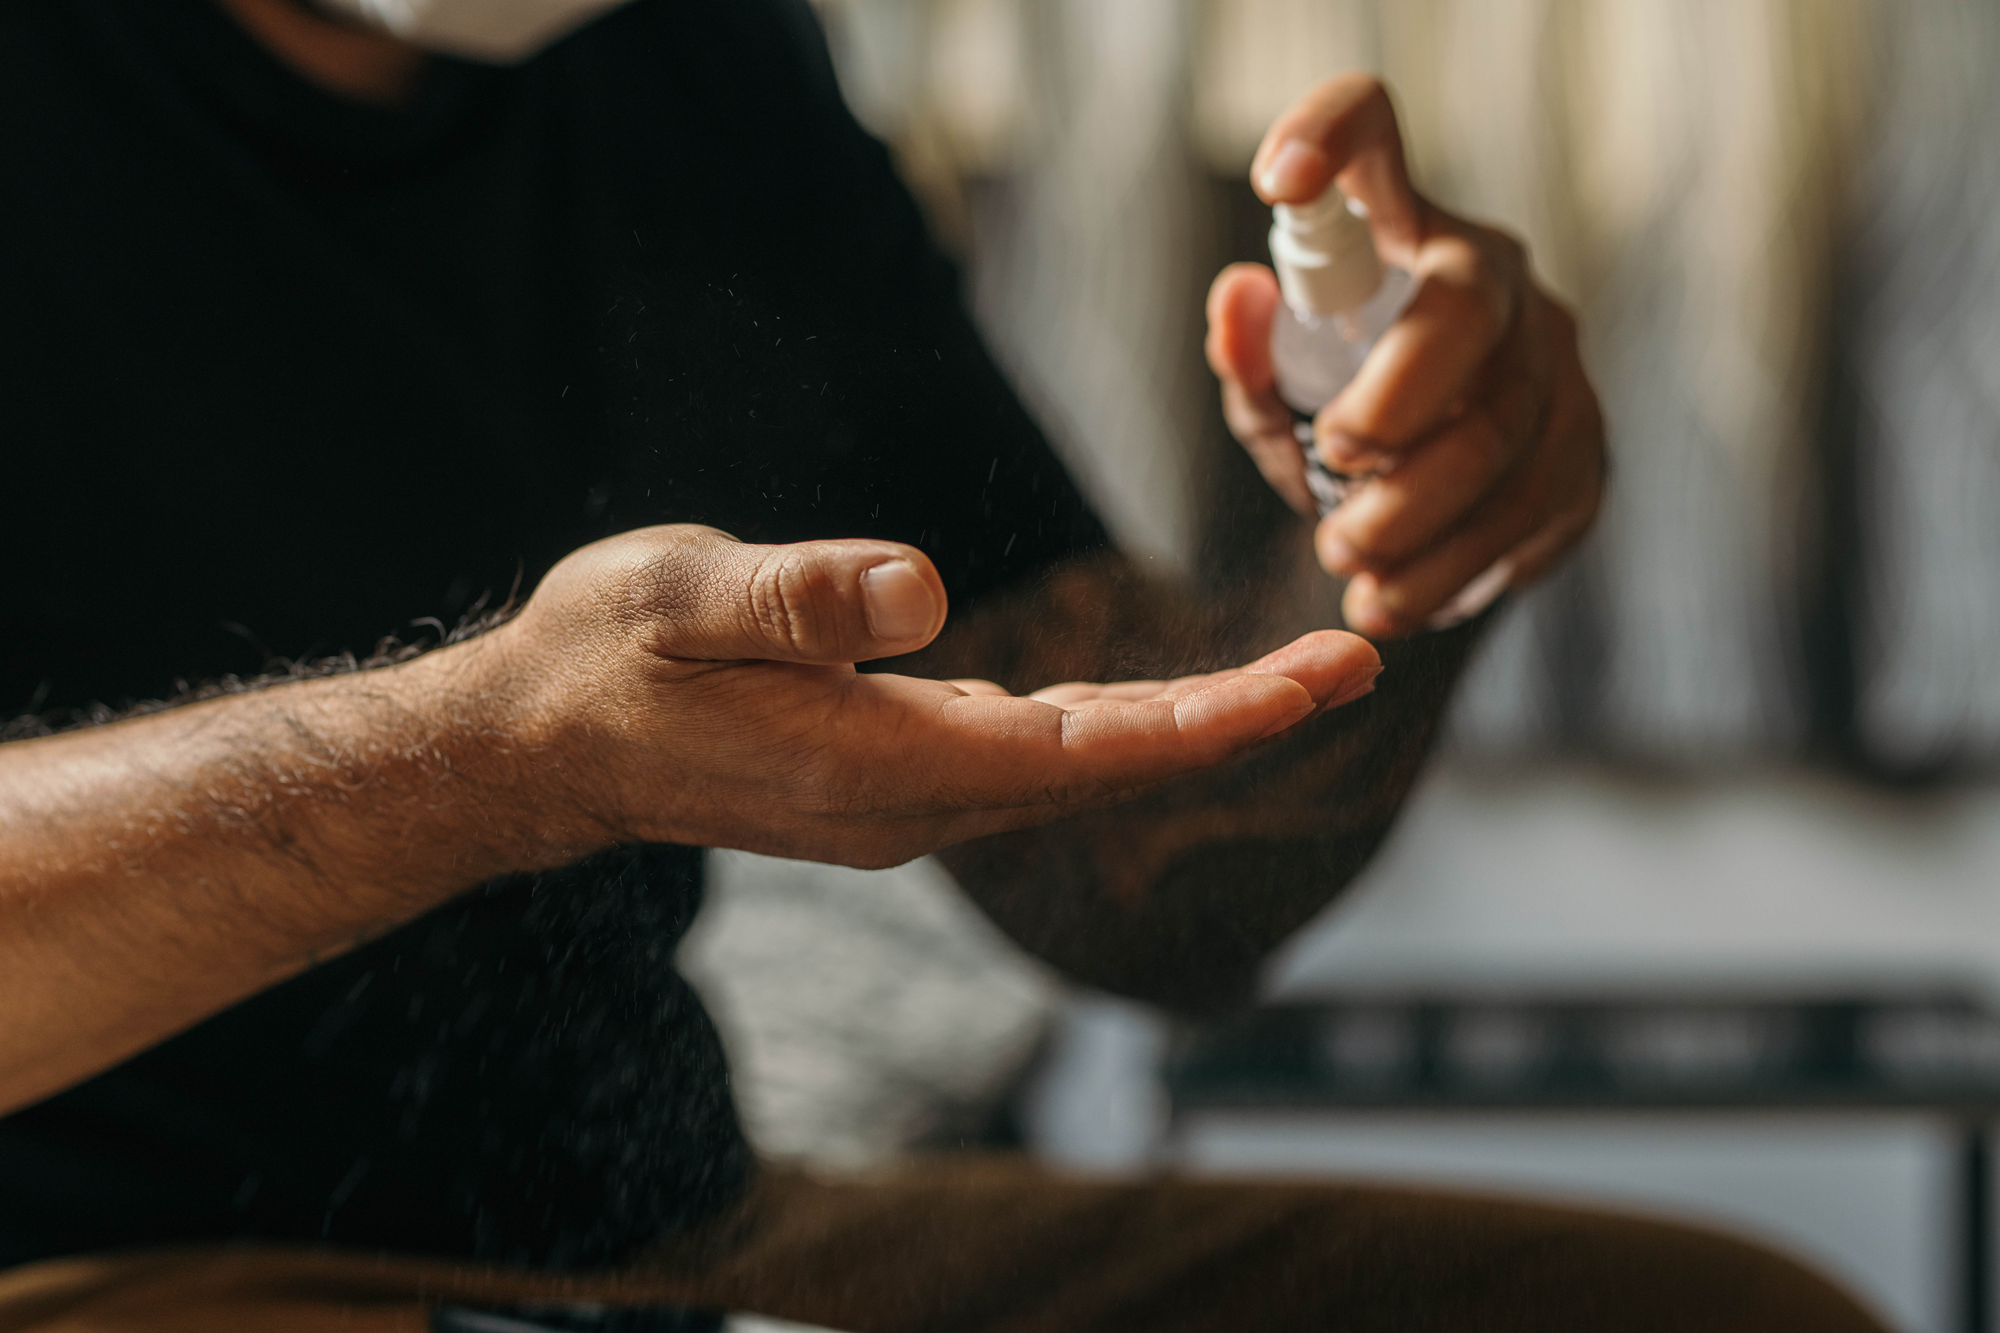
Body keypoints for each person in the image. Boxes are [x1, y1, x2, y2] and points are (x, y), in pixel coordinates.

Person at [0, 0, 1880, 1329]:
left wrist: (1400, 550)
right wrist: (504, 754)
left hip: (674, 1245)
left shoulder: (691, 63)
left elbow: (1137, 891)